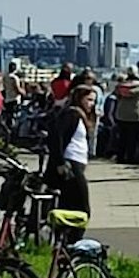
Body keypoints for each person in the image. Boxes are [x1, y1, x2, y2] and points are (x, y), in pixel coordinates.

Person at [45, 83, 98, 224]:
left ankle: (63, 237)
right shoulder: (71, 114)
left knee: (68, 204)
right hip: (70, 162)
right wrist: (60, 162)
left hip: (77, 162)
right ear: (79, 99)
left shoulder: (79, 115)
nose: (92, 104)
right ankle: (75, 239)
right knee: (82, 206)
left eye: (94, 101)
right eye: (89, 100)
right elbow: (56, 138)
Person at [113, 70, 139, 164]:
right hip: (136, 113)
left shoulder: (120, 86)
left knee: (122, 137)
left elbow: (117, 96)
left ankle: (120, 157)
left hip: (121, 113)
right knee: (133, 138)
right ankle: (131, 157)